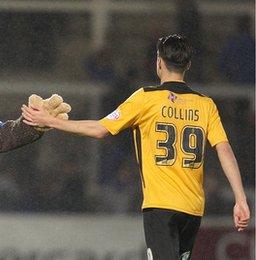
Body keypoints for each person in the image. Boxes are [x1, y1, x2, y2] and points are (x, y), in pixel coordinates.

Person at [21, 34, 250, 259]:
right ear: (188, 65)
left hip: (160, 207)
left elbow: (100, 129)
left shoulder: (146, 98)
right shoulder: (205, 104)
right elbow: (224, 150)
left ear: (159, 62)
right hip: (192, 210)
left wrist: (50, 121)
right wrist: (240, 199)